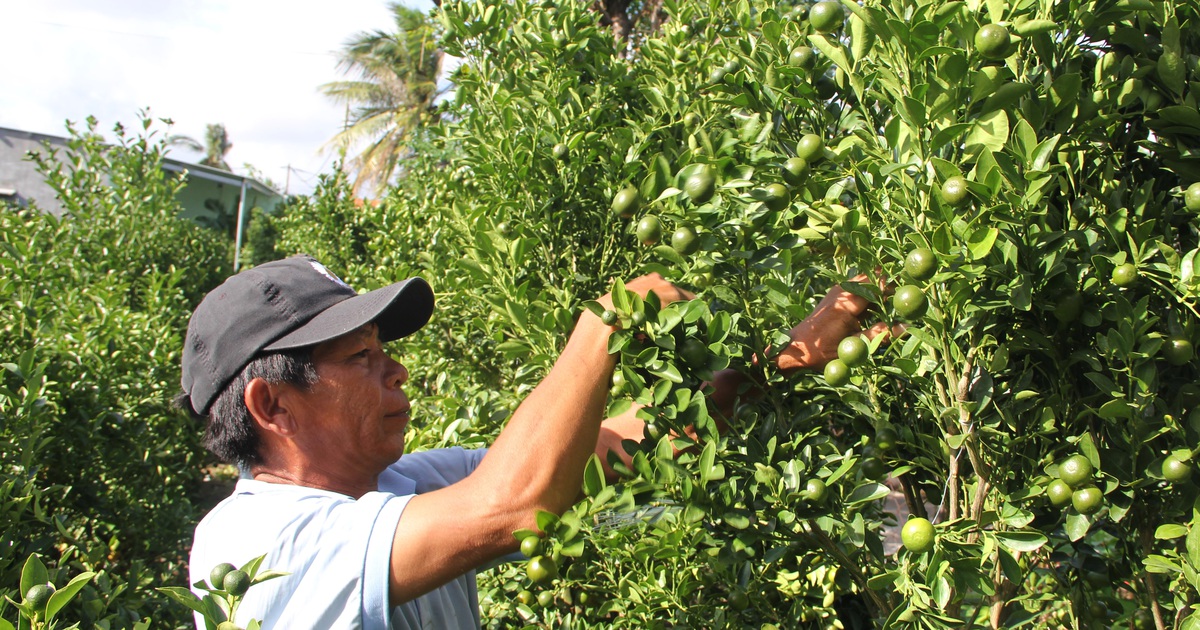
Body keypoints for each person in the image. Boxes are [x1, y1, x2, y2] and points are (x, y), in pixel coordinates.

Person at [178, 255, 878, 629]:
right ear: (270, 404)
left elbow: (629, 448)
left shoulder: (404, 489)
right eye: (361, 358)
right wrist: (602, 327)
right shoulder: (251, 547)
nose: (396, 369)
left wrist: (784, 361)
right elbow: (516, 503)